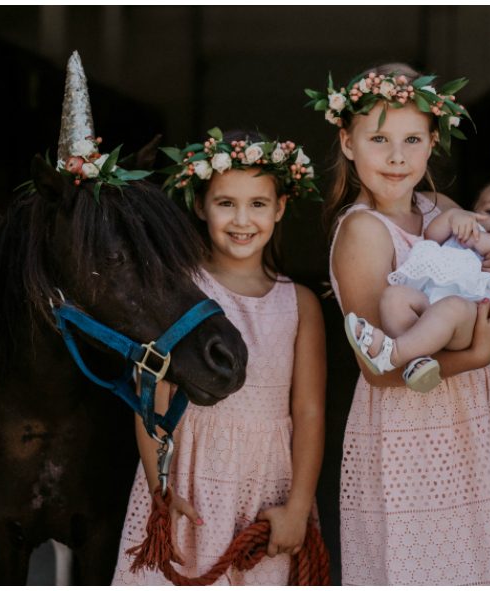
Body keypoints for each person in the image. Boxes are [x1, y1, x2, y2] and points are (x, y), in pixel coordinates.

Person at [307, 63, 490, 584]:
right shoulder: (363, 232)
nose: (397, 156)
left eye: (412, 139)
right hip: (410, 431)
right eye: (379, 138)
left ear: (432, 142)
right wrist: (476, 355)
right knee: (420, 565)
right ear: (348, 143)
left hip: (475, 423)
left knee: (480, 560)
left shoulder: (439, 207)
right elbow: (376, 370)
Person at [111, 128, 326, 585]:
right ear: (200, 206)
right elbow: (151, 400)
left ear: (281, 207)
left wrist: (299, 507)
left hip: (267, 485)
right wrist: (161, 490)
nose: (242, 219)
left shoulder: (300, 303)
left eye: (258, 204)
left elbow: (308, 411)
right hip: (191, 477)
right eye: (226, 203)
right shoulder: (177, 294)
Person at [344, 176, 490, 414]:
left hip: (476, 319)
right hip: (433, 311)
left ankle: (394, 353)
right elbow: (432, 234)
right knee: (395, 297)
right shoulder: (465, 232)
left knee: (452, 308)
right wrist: (452, 218)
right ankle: (415, 361)